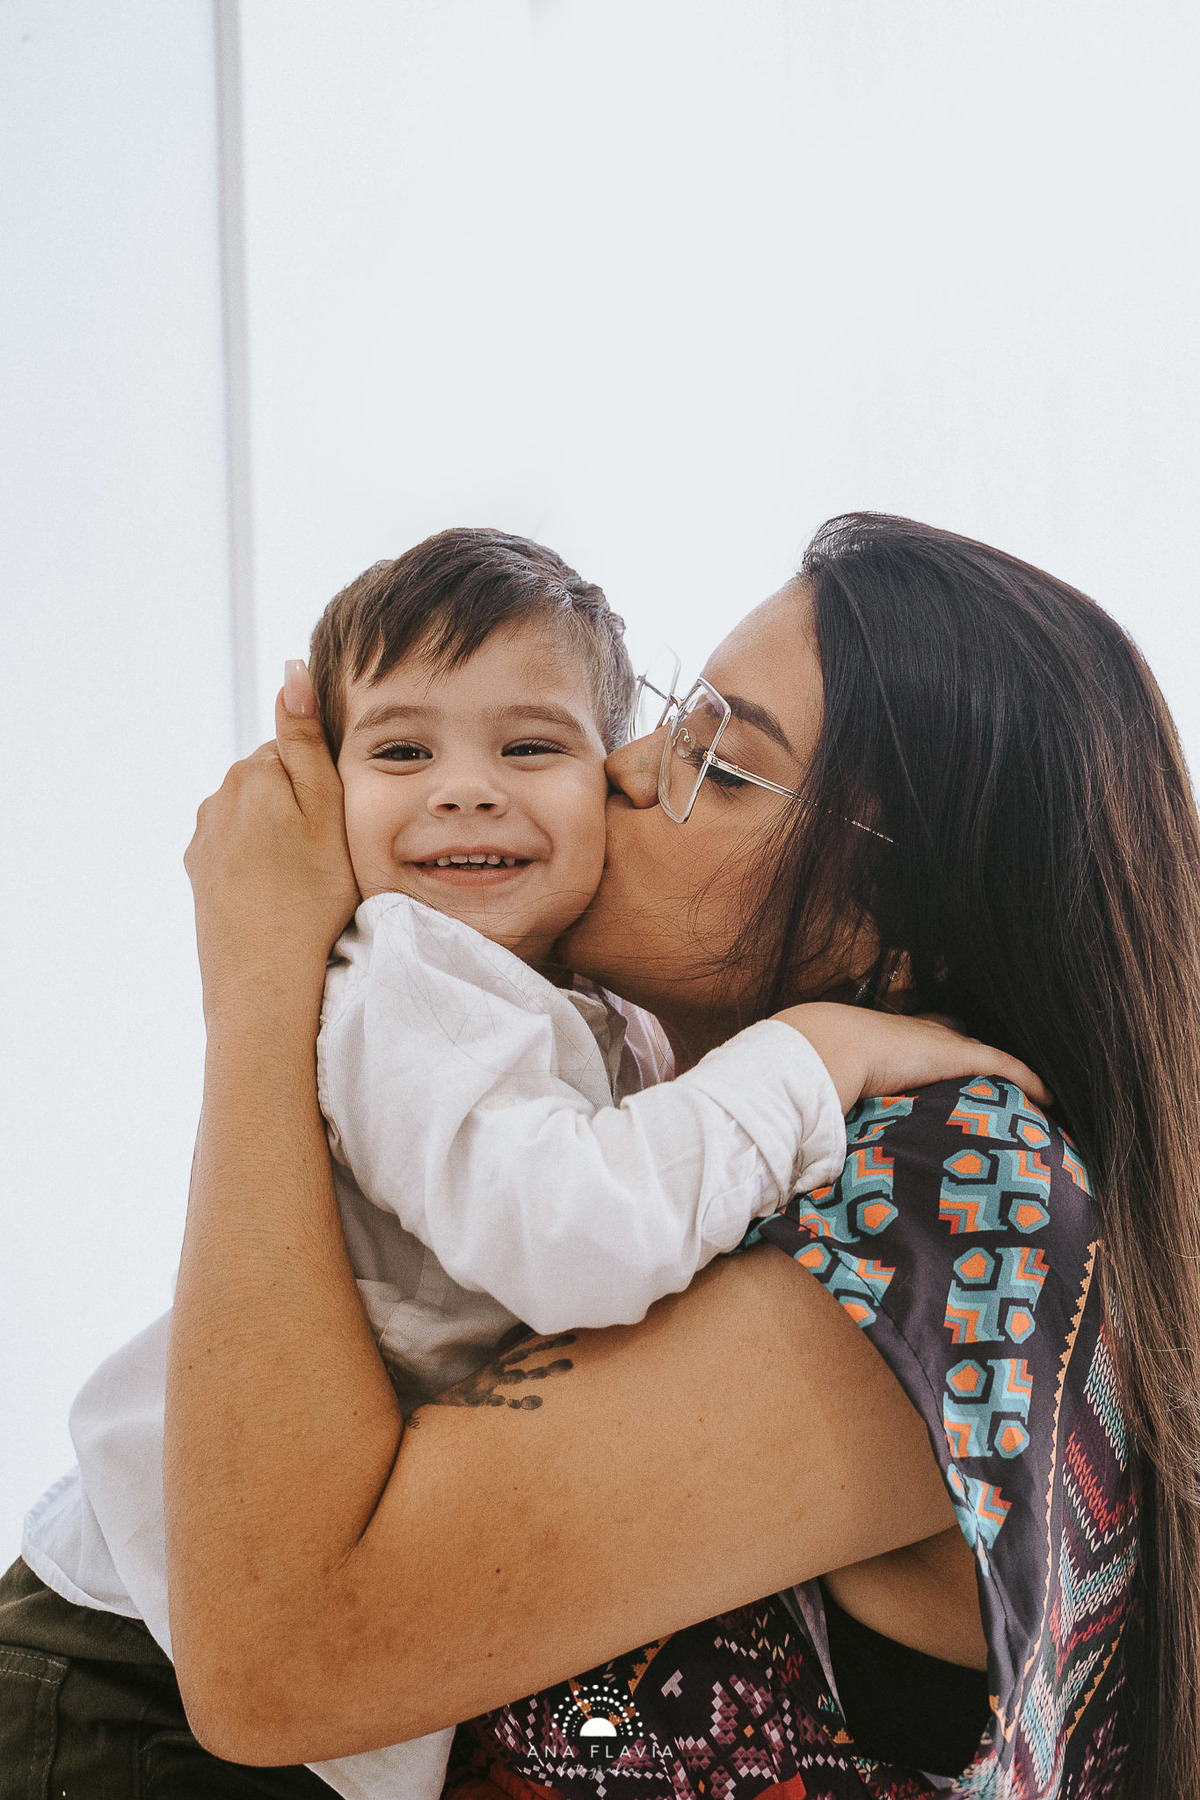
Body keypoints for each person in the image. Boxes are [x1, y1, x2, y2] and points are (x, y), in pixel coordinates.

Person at [150, 514, 1200, 1799]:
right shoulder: (660, 1094)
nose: (625, 768)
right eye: (670, 715)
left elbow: (279, 1655)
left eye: (724, 763)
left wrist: (260, 983)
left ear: (907, 931)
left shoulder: (962, 1212)